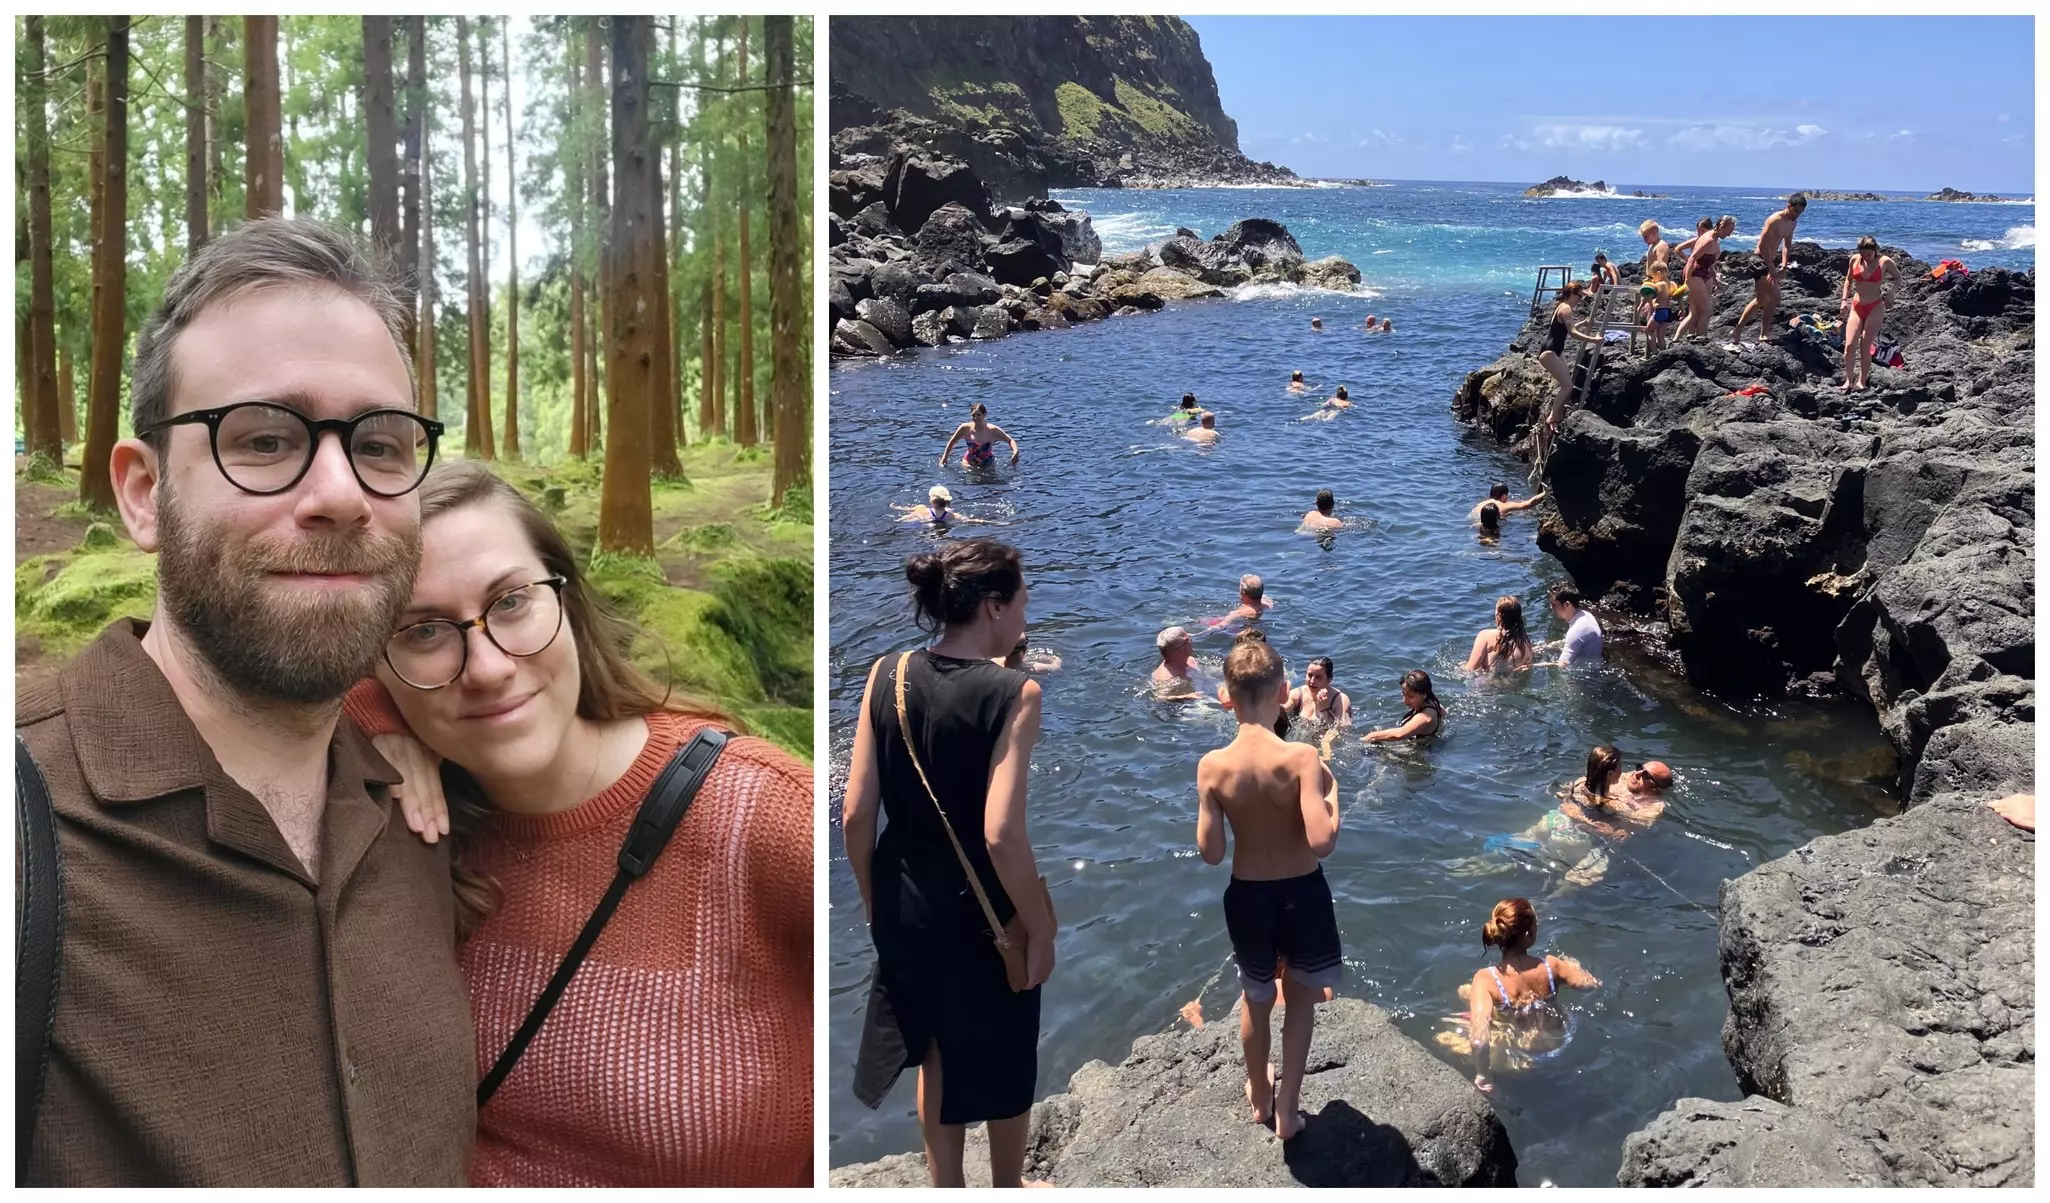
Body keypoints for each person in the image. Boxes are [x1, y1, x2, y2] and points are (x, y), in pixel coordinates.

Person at [14, 217, 476, 1184]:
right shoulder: (27, 833)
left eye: (383, 444)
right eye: (266, 439)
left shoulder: (428, 815)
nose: (341, 492)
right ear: (143, 495)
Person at [342, 462, 813, 1187]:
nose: (489, 667)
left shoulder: (758, 817)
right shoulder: (410, 818)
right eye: (424, 630)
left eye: (511, 601)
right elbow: (220, 656)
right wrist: (373, 716)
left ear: (567, 598)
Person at [845, 539, 1054, 1189]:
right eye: (1020, 600)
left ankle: (946, 1186)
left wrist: (874, 898)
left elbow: (856, 815)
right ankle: (1007, 1184)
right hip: (983, 913)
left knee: (935, 1048)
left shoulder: (887, 674)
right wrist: (1040, 926)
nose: (1024, 612)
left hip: (904, 901)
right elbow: (1000, 834)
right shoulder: (1015, 691)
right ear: (992, 606)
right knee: (1006, 1048)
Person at [1195, 637, 1343, 1142]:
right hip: (1301, 891)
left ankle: (1258, 1095)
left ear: (1225, 696)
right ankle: (1288, 1112)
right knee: (1299, 1000)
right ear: (1284, 692)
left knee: (1256, 998)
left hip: (1248, 896)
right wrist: (1335, 797)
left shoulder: (1212, 766)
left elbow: (1212, 852)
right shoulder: (1301, 757)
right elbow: (1321, 842)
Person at [1458, 900, 1599, 1093]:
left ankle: (1491, 1015)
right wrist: (1573, 965)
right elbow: (1591, 985)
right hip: (1561, 1043)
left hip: (1524, 1055)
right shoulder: (1552, 966)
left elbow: (1479, 1040)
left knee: (1463, 1004)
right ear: (1529, 935)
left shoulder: (1486, 979)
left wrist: (1484, 1076)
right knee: (1466, 992)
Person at [1732, 193, 1805, 347]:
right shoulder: (1774, 220)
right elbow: (1763, 246)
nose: (1797, 215)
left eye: (1800, 212)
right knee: (1776, 296)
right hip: (1758, 260)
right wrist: (1772, 269)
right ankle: (1764, 332)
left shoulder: (1792, 223)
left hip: (1769, 262)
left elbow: (1787, 245)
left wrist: (1784, 265)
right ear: (1789, 206)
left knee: (1761, 299)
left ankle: (1737, 330)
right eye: (1796, 211)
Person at [1537, 282, 1601, 432]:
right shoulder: (1566, 308)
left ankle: (1556, 419)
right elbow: (1572, 333)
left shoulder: (1561, 306)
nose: (1579, 301)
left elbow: (1565, 330)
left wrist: (1583, 323)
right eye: (1579, 297)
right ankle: (1552, 417)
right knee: (1568, 386)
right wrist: (1594, 340)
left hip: (1554, 352)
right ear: (1572, 294)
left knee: (1566, 385)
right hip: (1550, 352)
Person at [1839, 236, 1899, 392]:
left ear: (1875, 251)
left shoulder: (1884, 262)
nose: (1865, 258)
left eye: (1868, 255)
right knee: (1850, 345)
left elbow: (1898, 278)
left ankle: (1862, 381)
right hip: (1857, 306)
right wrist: (1844, 300)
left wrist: (1891, 293)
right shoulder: (1855, 260)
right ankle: (1848, 380)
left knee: (1865, 346)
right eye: (1862, 255)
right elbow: (1848, 280)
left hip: (1875, 307)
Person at [1672, 218, 1724, 341]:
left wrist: (1716, 280)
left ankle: (1689, 337)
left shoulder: (1714, 242)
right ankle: (1696, 335)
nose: (1700, 232)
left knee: (1701, 307)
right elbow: (1678, 249)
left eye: (1702, 230)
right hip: (1695, 272)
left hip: (1707, 274)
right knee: (1699, 309)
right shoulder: (1698, 240)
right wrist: (1687, 260)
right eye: (1698, 230)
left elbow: (1711, 264)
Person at [1364, 669, 1444, 743]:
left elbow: (1398, 735)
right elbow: (1444, 713)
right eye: (1403, 694)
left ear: (1423, 694)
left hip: (1416, 753)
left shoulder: (1424, 717)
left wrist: (1370, 736)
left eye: (1410, 696)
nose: (1404, 700)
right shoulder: (1433, 701)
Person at [1465, 595, 1535, 673]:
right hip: (1514, 683)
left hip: (1489, 682)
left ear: (1498, 616)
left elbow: (1470, 669)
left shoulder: (1485, 636)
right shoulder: (1526, 642)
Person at [939, 402, 1019, 469]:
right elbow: (952, 441)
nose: (976, 418)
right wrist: (944, 458)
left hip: (988, 463)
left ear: (985, 415)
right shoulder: (965, 428)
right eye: (973, 415)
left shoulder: (992, 430)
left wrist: (1015, 451)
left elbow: (1010, 440)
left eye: (978, 415)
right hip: (969, 463)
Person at [1543, 584, 1603, 667]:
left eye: (1554, 605)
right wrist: (1546, 647)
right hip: (1595, 664)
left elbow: (1562, 665)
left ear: (1567, 604)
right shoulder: (1586, 615)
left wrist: (1533, 666)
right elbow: (1576, 641)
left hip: (1582, 677)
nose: (1551, 607)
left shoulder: (1575, 631)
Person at [892, 484, 973, 527]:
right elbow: (968, 520)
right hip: (944, 525)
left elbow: (903, 519)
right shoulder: (952, 515)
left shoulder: (922, 510)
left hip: (925, 523)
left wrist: (895, 508)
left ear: (931, 499)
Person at [1152, 625, 1198, 698]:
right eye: (1188, 640)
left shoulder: (1189, 659)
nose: (1191, 642)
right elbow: (1159, 698)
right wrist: (1187, 696)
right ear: (1181, 650)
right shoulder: (1167, 678)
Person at [1470, 483, 1543, 527]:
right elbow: (1529, 504)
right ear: (1503, 496)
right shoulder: (1503, 505)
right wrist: (1547, 492)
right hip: (1492, 527)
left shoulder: (1480, 504)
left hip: (1477, 526)